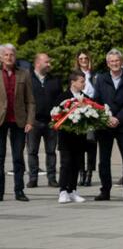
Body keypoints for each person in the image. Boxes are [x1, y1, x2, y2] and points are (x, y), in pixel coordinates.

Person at [93, 49, 123, 202]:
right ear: (108, 64)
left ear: (122, 62)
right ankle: (105, 191)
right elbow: (97, 100)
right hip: (105, 125)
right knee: (104, 160)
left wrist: (118, 118)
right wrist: (107, 117)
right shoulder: (101, 79)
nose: (114, 63)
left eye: (117, 60)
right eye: (111, 61)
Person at [0, 44, 34, 202]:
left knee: (18, 157)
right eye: (6, 55)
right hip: (1, 120)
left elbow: (30, 101)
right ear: (1, 57)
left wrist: (30, 120)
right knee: (0, 157)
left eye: (11, 54)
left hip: (18, 120)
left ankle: (19, 190)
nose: (9, 57)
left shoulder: (24, 74)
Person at [54, 71, 90, 204]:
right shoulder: (63, 97)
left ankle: (72, 190)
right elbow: (56, 115)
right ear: (73, 82)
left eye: (84, 81)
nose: (84, 83)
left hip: (80, 137)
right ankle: (63, 190)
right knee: (66, 163)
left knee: (77, 163)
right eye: (81, 81)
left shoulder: (85, 98)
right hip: (66, 137)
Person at [27, 53, 61, 188]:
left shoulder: (55, 80)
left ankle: (52, 178)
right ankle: (33, 178)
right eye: (46, 62)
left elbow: (60, 100)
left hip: (51, 122)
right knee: (32, 151)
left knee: (51, 151)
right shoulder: (28, 78)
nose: (49, 65)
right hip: (33, 121)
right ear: (37, 63)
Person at [76, 51, 98, 187]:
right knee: (79, 145)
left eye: (86, 58)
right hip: (78, 112)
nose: (83, 60)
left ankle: (89, 173)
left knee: (91, 143)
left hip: (92, 112)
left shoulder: (96, 75)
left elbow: (98, 92)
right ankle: (81, 173)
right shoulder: (74, 74)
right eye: (81, 58)